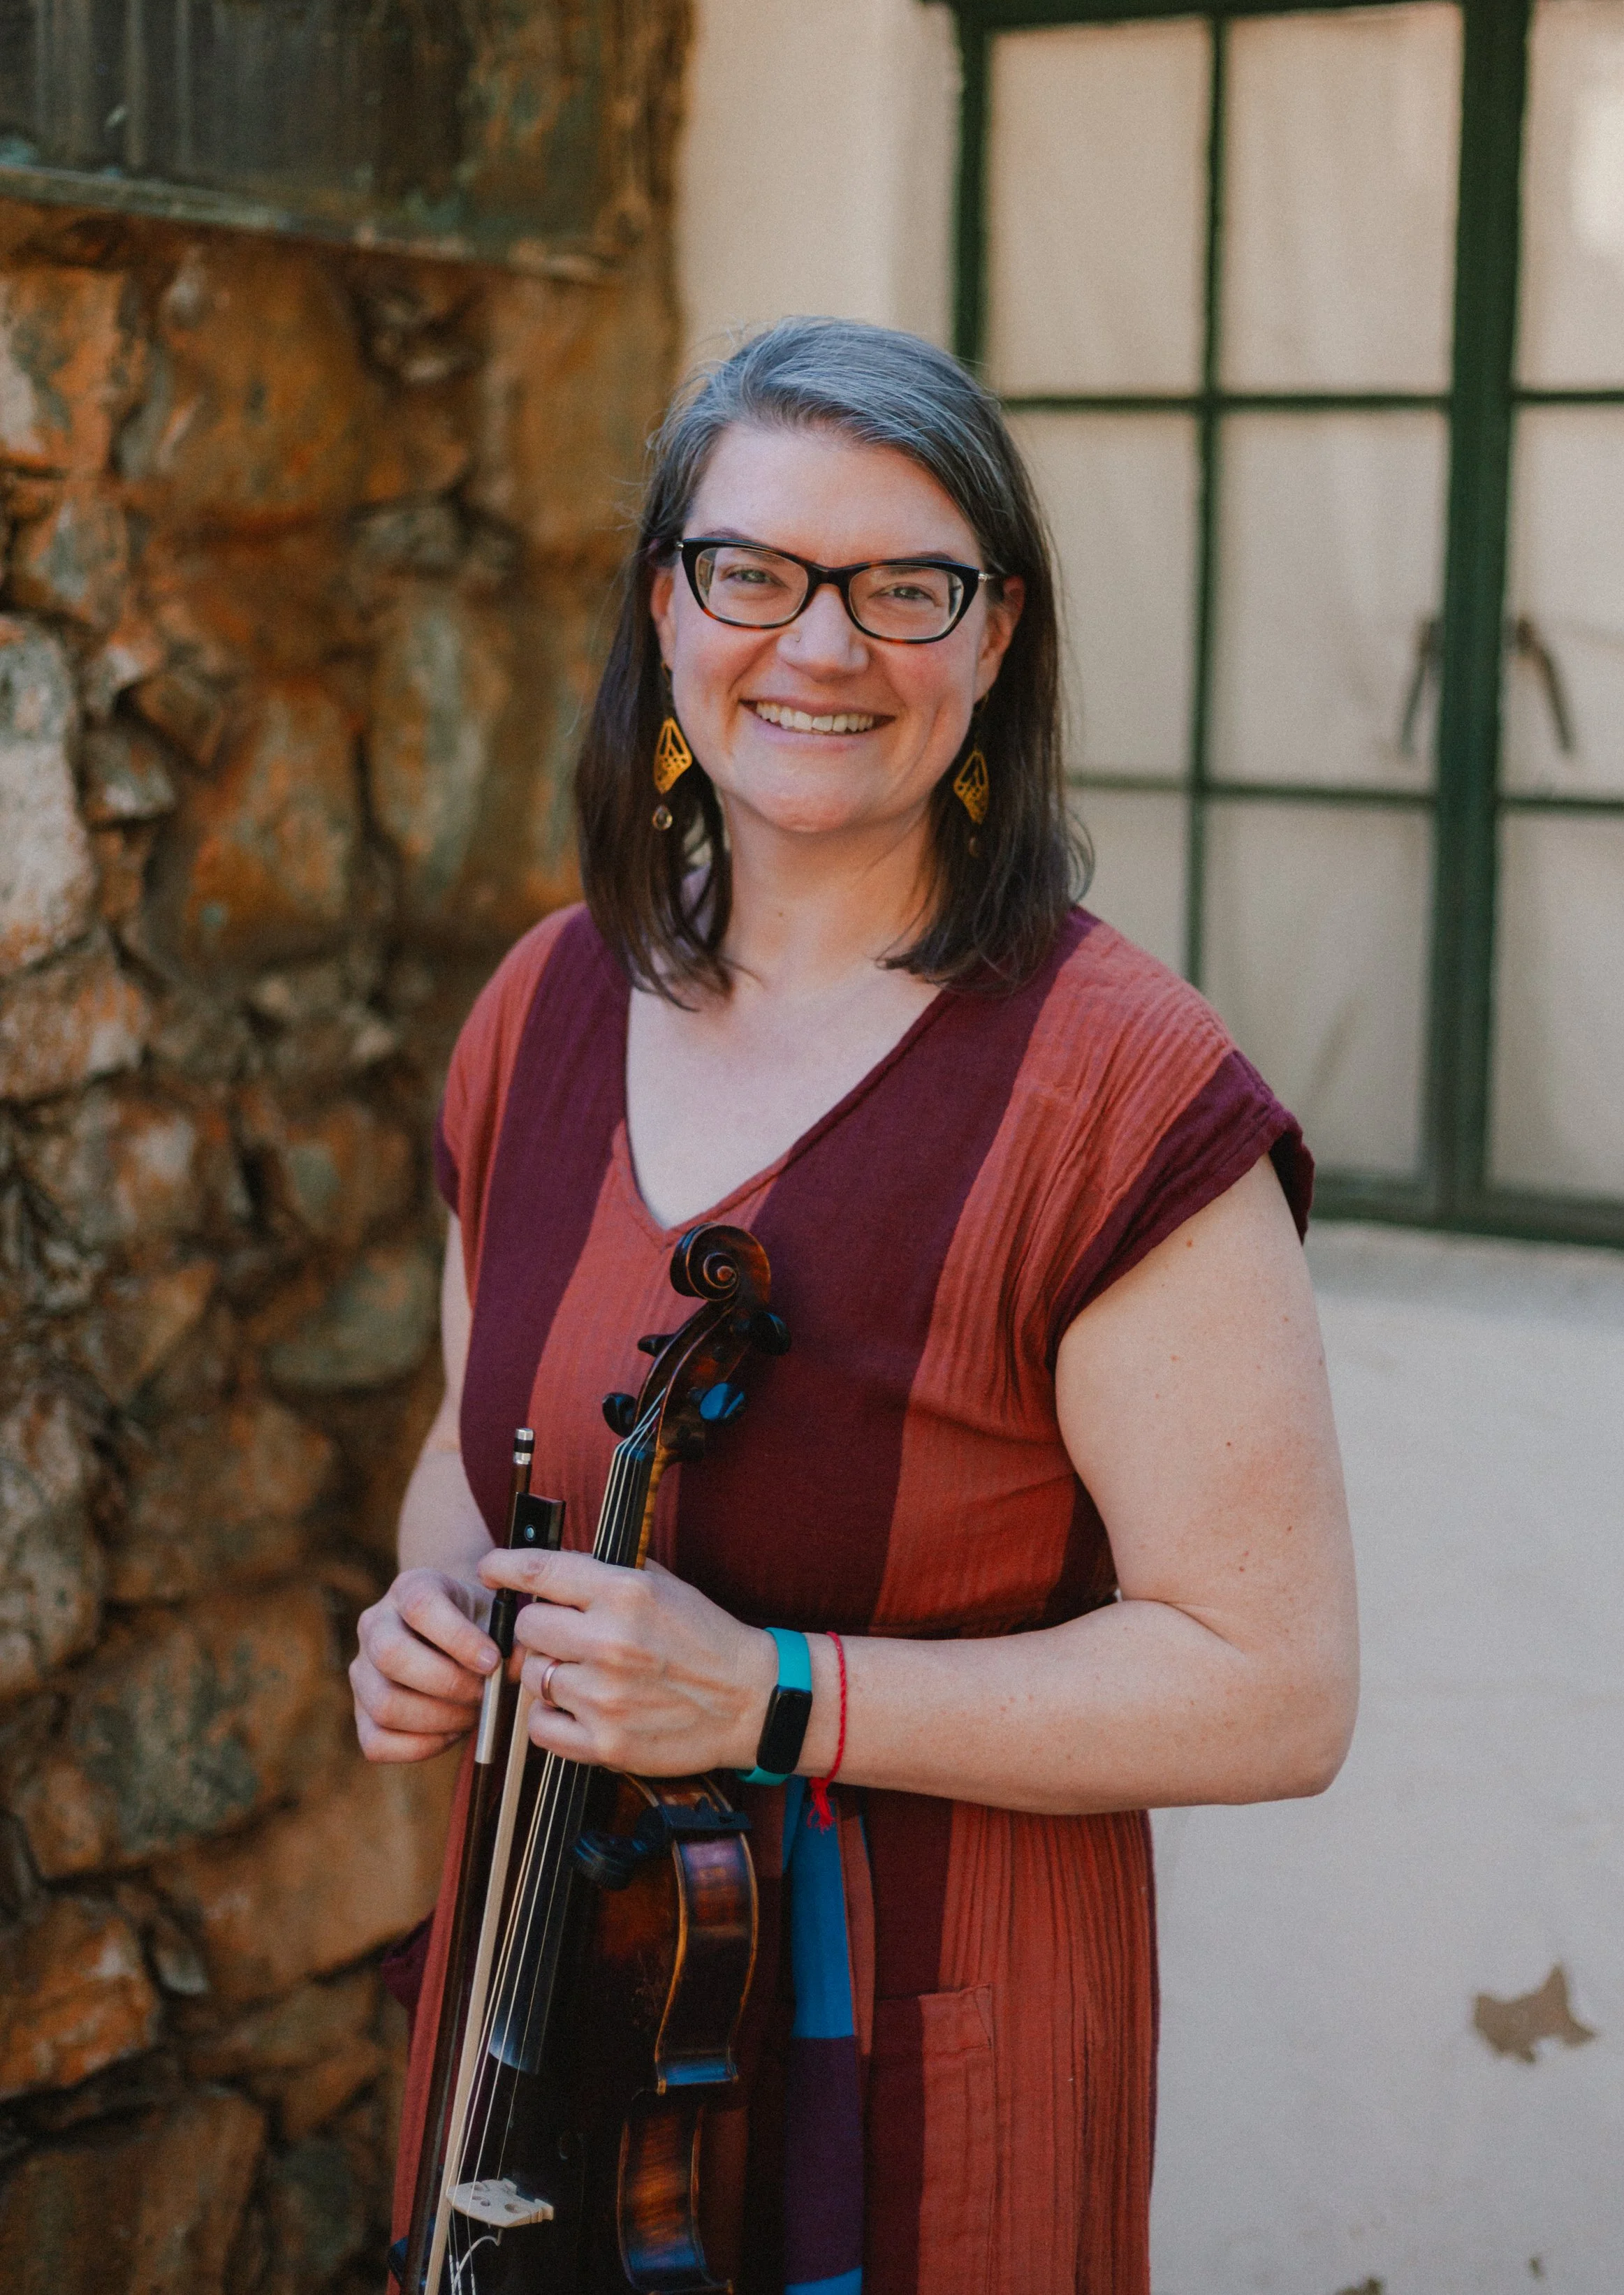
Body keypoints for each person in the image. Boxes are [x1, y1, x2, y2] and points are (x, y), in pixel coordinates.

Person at [352, 317, 1359, 2295]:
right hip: (535, 2012)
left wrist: (778, 1693)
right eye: (752, 573)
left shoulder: (1116, 1091)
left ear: (993, 648)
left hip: (923, 2062)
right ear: (666, 609)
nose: (817, 646)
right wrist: (434, 1615)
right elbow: (483, 1463)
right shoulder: (540, 1011)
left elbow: (1275, 1686)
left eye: (904, 589)